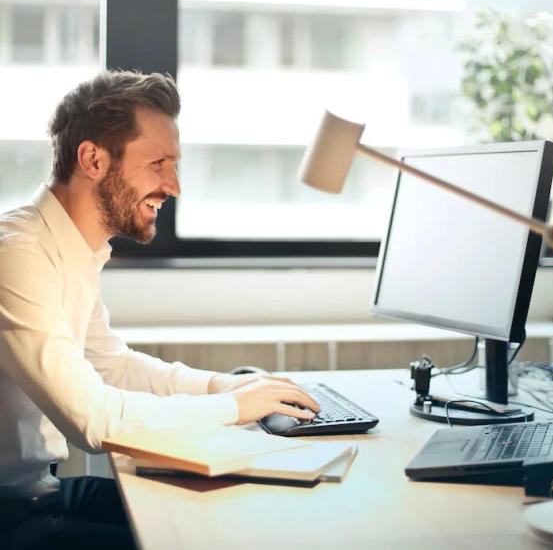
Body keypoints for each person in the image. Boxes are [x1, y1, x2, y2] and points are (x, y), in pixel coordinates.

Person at [0, 70, 320, 549]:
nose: (174, 185)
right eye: (159, 163)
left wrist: (222, 385)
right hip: (11, 516)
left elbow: (113, 366)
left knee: (228, 512)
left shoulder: (75, 251)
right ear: (92, 159)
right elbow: (93, 420)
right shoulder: (19, 254)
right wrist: (233, 408)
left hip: (41, 495)